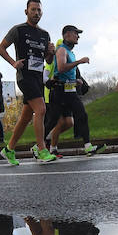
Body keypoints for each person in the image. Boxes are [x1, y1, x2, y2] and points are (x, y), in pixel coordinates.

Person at [0, 0, 57, 165]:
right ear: (26, 11)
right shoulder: (18, 30)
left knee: (25, 117)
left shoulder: (45, 34)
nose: (36, 13)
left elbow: (49, 61)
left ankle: (9, 149)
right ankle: (41, 149)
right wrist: (13, 63)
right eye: (33, 10)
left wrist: (51, 52)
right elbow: (1, 48)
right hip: (24, 76)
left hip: (38, 78)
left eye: (39, 10)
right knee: (41, 109)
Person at [44, 25, 106, 156]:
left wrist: (76, 81)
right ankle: (38, 144)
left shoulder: (70, 52)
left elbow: (66, 73)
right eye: (75, 33)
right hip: (59, 91)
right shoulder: (61, 50)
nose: (78, 36)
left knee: (81, 115)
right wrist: (79, 62)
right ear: (66, 35)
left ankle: (88, 146)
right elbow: (60, 68)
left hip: (70, 90)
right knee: (53, 120)